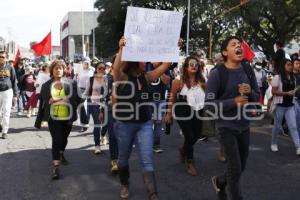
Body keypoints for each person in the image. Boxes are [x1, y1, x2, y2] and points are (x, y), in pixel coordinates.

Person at [113, 37, 171, 199]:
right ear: (134, 61)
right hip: (125, 124)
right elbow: (116, 68)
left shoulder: (147, 77)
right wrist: (121, 48)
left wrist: (174, 47)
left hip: (145, 123)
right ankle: (124, 184)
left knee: (147, 159)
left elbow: (166, 65)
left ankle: (152, 193)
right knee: (123, 159)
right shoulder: (122, 77)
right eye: (143, 59)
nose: (147, 62)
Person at [205, 36, 260, 200]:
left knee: (240, 167)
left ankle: (219, 181)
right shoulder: (217, 73)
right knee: (235, 169)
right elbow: (209, 104)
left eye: (240, 44)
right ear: (225, 52)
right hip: (225, 127)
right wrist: (233, 102)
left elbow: (256, 96)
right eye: (233, 44)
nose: (239, 47)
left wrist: (249, 91)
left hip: (244, 126)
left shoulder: (248, 70)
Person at [35, 60, 83, 179]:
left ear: (64, 70)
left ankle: (61, 153)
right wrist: (41, 119)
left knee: (64, 139)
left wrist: (73, 104)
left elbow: (80, 99)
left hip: (68, 117)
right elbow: (43, 103)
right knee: (56, 140)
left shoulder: (72, 83)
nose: (58, 70)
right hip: (53, 118)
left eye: (60, 68)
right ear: (52, 70)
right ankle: (56, 167)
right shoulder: (46, 86)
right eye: (56, 68)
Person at [165, 56, 206, 176]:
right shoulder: (178, 81)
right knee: (189, 135)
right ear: (186, 66)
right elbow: (171, 97)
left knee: (197, 134)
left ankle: (183, 149)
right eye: (191, 64)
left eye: (196, 65)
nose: (194, 66)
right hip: (182, 110)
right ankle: (190, 163)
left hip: (198, 109)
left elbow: (208, 96)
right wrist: (168, 113)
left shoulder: (202, 80)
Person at [270, 58, 300, 155]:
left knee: (293, 126)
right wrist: (286, 93)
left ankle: (298, 147)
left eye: (291, 65)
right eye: (288, 65)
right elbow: (273, 92)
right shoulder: (277, 77)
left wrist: (293, 92)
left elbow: (292, 91)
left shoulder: (293, 78)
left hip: (290, 105)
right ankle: (273, 143)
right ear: (283, 66)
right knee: (277, 126)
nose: (290, 67)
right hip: (279, 106)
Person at [84, 62, 107, 154]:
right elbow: (86, 92)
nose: (102, 70)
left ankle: (103, 135)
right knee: (97, 124)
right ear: (96, 69)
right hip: (94, 104)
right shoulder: (91, 80)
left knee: (106, 124)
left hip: (105, 104)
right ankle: (97, 145)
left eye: (103, 68)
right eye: (100, 68)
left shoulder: (107, 79)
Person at [148, 62, 170, 153]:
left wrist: (159, 69)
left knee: (158, 122)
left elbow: (166, 81)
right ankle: (146, 144)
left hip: (160, 100)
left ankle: (156, 145)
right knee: (147, 123)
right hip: (147, 99)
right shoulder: (146, 66)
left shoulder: (165, 67)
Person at [0, 51, 18, 139]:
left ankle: (4, 131)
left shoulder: (10, 67)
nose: (1, 58)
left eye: (3, 57)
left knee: (6, 112)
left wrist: (15, 94)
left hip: (7, 92)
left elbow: (14, 80)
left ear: (6, 58)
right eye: (0, 56)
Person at [293, 58, 300, 136]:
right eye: (297, 63)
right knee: (298, 118)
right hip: (295, 99)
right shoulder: (290, 75)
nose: (298, 65)